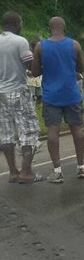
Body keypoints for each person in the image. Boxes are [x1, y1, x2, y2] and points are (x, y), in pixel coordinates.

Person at [32, 16, 84, 183]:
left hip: (51, 96)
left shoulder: (40, 47)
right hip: (71, 94)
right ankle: (81, 167)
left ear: (49, 29)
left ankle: (57, 171)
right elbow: (80, 68)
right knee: (77, 130)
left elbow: (35, 72)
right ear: (64, 27)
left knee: (52, 132)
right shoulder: (75, 45)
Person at [0, 11, 44, 184]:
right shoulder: (20, 41)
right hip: (18, 91)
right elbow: (31, 67)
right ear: (17, 23)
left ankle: (13, 172)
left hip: (1, 93)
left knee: (6, 133)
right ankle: (27, 172)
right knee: (29, 131)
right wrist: (38, 59)